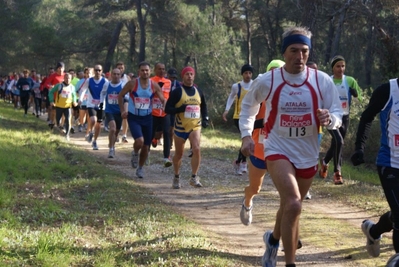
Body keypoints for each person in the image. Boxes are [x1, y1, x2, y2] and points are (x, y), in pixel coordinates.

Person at [240, 26, 342, 267]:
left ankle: (273, 241)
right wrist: (246, 135)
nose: (300, 56)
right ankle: (290, 263)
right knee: (295, 203)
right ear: (284, 52)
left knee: (289, 205)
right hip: (277, 149)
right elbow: (248, 106)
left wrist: (330, 118)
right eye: (294, 50)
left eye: (304, 51)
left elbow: (337, 111)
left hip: (307, 153)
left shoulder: (321, 80)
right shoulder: (269, 79)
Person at [351, 77, 399, 259]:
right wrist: (359, 148)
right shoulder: (388, 90)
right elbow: (367, 117)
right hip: (391, 163)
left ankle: (373, 230)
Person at [240, 59, 285, 226]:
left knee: (287, 193)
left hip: (281, 152)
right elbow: (248, 115)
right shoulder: (260, 92)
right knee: (255, 188)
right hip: (259, 149)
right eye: (272, 72)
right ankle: (247, 202)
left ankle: (288, 227)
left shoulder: (289, 96)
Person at [118, 61, 165, 178]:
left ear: (150, 72)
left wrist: (165, 106)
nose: (145, 72)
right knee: (139, 141)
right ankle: (134, 153)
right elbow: (120, 95)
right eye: (143, 70)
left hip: (148, 118)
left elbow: (163, 99)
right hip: (134, 117)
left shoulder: (154, 85)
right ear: (139, 72)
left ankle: (140, 168)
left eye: (147, 70)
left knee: (146, 146)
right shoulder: (132, 84)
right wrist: (122, 110)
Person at [320, 55, 362, 185]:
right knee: (339, 141)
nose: (341, 69)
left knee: (337, 144)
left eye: (343, 66)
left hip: (345, 116)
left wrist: (355, 94)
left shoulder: (349, 80)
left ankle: (324, 162)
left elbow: (359, 97)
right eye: (338, 66)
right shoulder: (327, 80)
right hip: (331, 116)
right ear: (333, 68)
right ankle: (337, 172)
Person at [165, 66, 209, 189]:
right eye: (187, 74)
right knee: (179, 154)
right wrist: (180, 109)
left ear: (194, 76)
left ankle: (194, 177)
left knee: (196, 148)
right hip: (180, 127)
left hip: (195, 125)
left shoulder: (198, 91)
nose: (189, 76)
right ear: (183, 76)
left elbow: (204, 106)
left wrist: (205, 118)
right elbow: (167, 109)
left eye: (191, 74)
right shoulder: (177, 92)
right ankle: (176, 176)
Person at [223, 64, 254, 175]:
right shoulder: (237, 86)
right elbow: (231, 97)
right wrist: (227, 110)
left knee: (248, 139)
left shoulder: (255, 85)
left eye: (250, 73)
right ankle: (243, 163)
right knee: (245, 139)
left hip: (251, 117)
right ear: (242, 74)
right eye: (246, 73)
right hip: (239, 117)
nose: (248, 75)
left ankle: (238, 162)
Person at [100, 68, 128, 158]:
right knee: (112, 129)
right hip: (109, 110)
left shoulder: (123, 85)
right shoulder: (107, 84)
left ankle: (111, 144)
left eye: (118, 74)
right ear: (111, 75)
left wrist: (126, 107)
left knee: (116, 132)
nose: (116, 76)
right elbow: (103, 93)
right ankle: (111, 149)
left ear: (120, 75)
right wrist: (101, 103)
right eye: (114, 74)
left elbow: (127, 97)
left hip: (119, 111)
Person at [79, 64, 107, 150]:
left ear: (102, 71)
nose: (98, 72)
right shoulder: (89, 81)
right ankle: (91, 132)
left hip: (101, 105)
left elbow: (109, 92)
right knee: (93, 120)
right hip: (91, 104)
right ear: (94, 71)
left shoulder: (105, 82)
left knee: (98, 125)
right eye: (96, 70)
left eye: (99, 70)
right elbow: (83, 89)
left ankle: (95, 141)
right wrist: (80, 99)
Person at [150, 62, 173, 167]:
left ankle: (166, 157)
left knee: (167, 133)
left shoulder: (168, 82)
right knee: (151, 133)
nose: (162, 71)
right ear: (155, 70)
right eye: (159, 69)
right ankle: (146, 153)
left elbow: (170, 96)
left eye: (163, 69)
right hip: (153, 112)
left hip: (165, 112)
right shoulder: (151, 81)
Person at [48, 73, 78, 141]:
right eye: (66, 78)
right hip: (59, 106)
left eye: (69, 78)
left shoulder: (72, 87)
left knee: (68, 120)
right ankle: (60, 129)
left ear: (71, 79)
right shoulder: (59, 86)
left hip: (68, 106)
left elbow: (74, 95)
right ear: (64, 78)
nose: (68, 79)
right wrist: (51, 100)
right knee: (58, 122)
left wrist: (74, 101)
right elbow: (51, 92)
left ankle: (67, 135)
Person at [46, 62, 66, 129]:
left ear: (64, 69)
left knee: (63, 111)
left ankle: (61, 124)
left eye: (62, 68)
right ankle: (52, 121)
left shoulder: (65, 75)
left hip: (63, 97)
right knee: (54, 111)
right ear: (57, 69)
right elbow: (47, 83)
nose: (60, 69)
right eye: (59, 68)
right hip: (55, 96)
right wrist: (50, 86)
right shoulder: (53, 76)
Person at [116, 61, 131, 143]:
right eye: (118, 68)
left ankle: (124, 135)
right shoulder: (113, 77)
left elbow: (131, 87)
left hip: (126, 98)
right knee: (117, 116)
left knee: (125, 115)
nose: (120, 69)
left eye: (121, 68)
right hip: (116, 98)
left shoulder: (127, 77)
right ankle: (116, 134)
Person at [167, 67, 181, 149]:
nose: (172, 79)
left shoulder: (178, 85)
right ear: (167, 75)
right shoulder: (163, 82)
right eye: (171, 77)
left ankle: (170, 144)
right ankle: (156, 137)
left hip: (173, 108)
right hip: (163, 107)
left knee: (171, 128)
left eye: (174, 77)